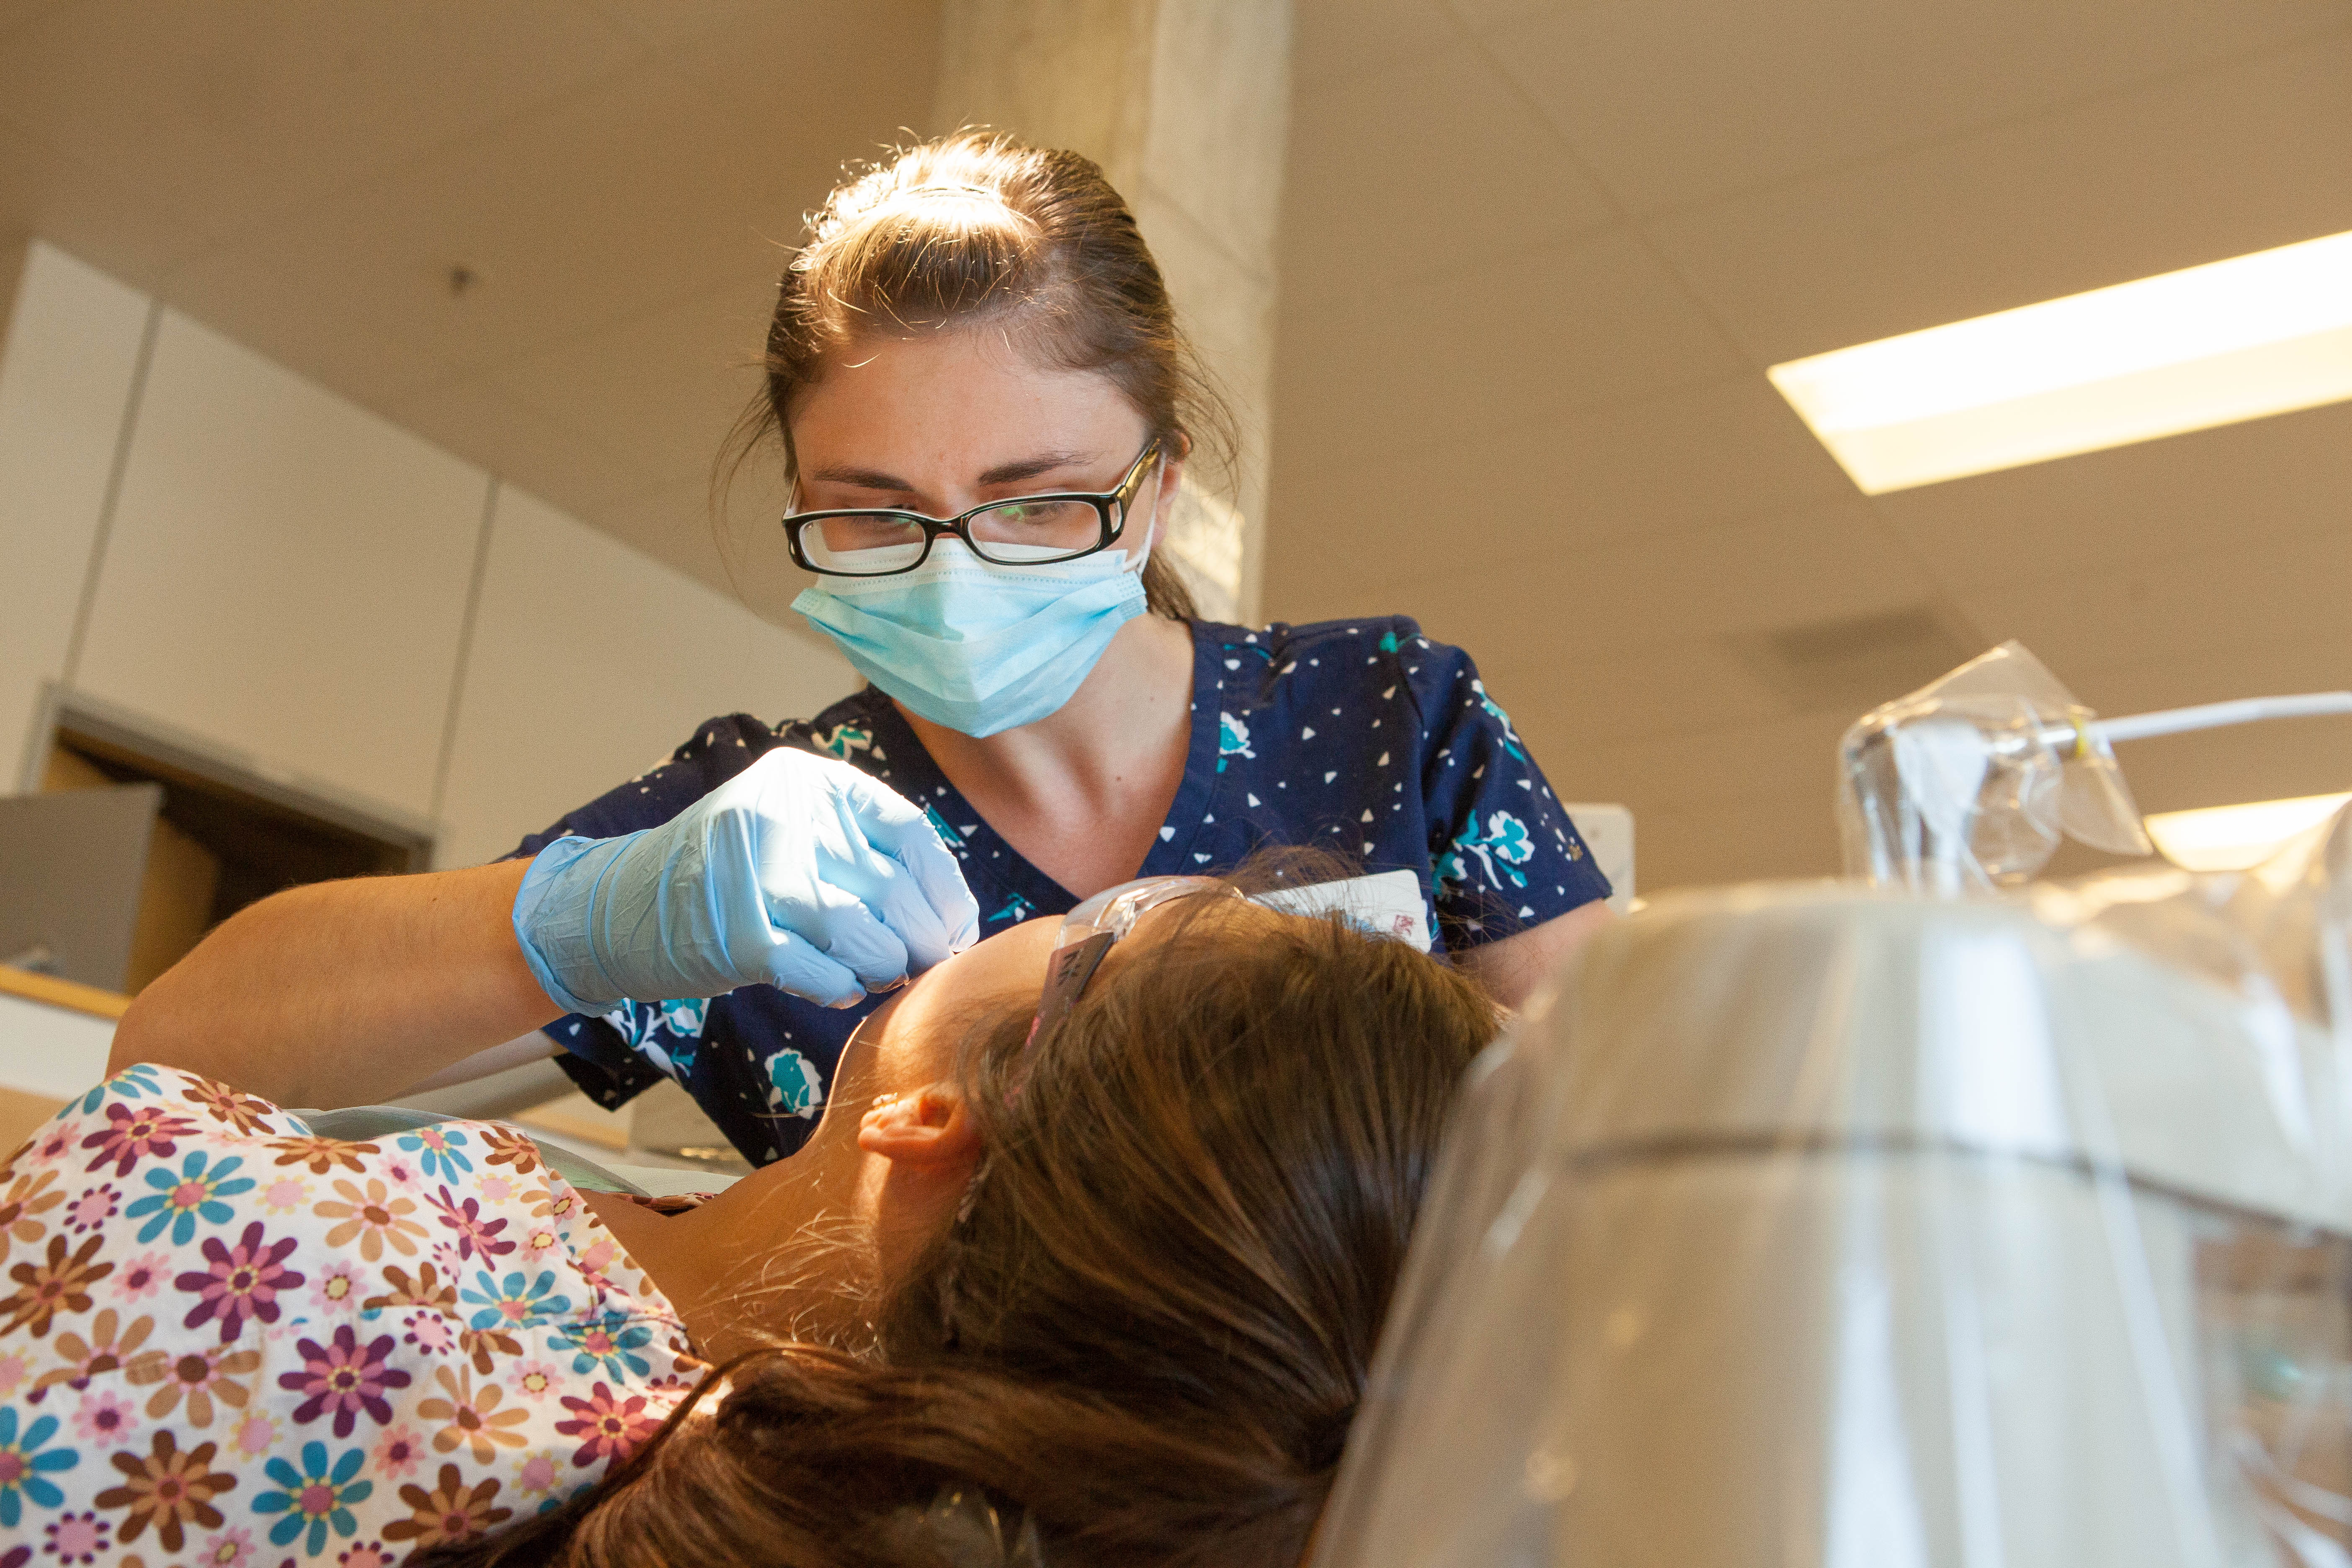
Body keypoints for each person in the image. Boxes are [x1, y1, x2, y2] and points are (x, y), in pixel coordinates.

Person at [110, 130, 1610, 1168]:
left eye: (1036, 504)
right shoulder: (748, 845)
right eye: (876, 516)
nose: (957, 575)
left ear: (1153, 495)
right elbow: (173, 1055)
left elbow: (1634, 1106)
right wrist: (581, 918)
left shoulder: (1380, 717)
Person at [5, 878, 1499, 1564]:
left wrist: (567, 915)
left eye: (1104, 926)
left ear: (934, 1116)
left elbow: (150, 1077)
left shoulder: (332, 1291)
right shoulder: (719, 1460)